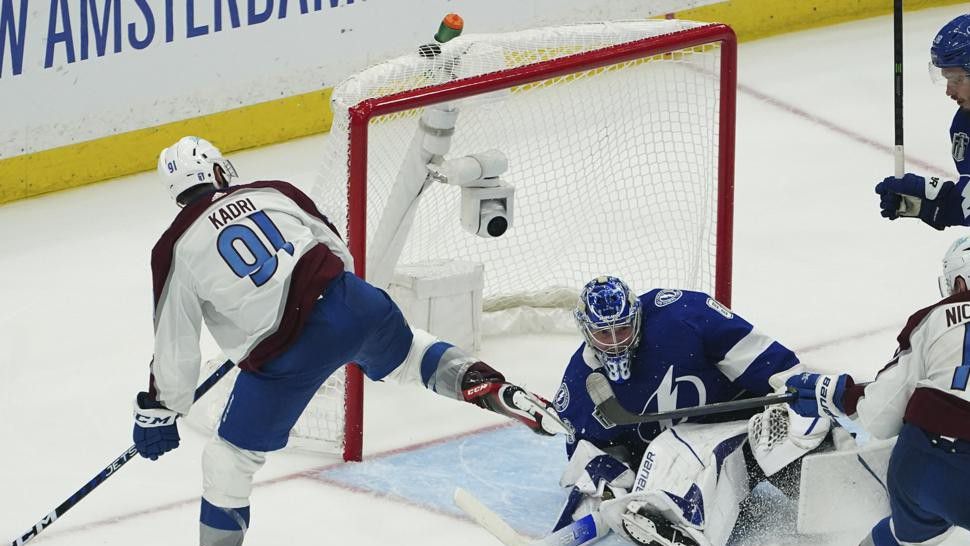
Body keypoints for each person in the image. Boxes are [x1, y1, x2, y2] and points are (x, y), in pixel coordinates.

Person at [132, 136, 566, 546]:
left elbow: (176, 343)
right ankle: (491, 387)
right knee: (412, 353)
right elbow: (337, 252)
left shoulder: (175, 245)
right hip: (352, 301)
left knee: (228, 460)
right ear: (219, 170)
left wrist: (161, 410)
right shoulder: (274, 191)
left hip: (287, 352)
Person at [549, 276, 829, 546]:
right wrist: (611, 482)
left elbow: (762, 359)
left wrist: (796, 390)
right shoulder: (578, 387)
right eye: (603, 334)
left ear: (637, 316)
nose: (616, 342)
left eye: (622, 329)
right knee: (668, 480)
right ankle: (680, 530)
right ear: (586, 331)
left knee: (818, 471)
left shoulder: (683, 315)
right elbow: (595, 462)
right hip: (690, 464)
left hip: (754, 427)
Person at [786, 235, 970, 546]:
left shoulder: (931, 319)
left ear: (960, 282)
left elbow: (879, 413)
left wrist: (836, 395)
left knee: (907, 535)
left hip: (917, 462)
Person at [875, 14, 970, 230]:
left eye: (956, 79)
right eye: (946, 79)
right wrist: (931, 205)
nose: (949, 91)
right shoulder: (963, 127)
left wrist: (934, 193)